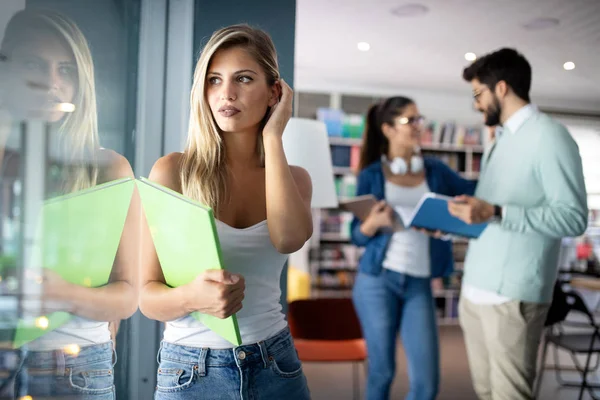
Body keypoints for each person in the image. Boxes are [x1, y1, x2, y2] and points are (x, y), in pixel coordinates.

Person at [138, 24, 312, 399]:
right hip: (191, 372)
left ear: (274, 93)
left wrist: (273, 138)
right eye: (214, 80)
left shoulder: (295, 180)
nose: (226, 94)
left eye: (244, 79)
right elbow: (146, 297)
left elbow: (289, 238)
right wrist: (191, 298)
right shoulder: (172, 172)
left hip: (276, 365)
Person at [0, 9, 139, 399]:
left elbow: (129, 295)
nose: (50, 82)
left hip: (72, 366)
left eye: (65, 69)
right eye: (33, 64)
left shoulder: (107, 169)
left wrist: (66, 294)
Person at [450, 48, 588, 400]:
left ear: (501, 89)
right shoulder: (500, 139)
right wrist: (458, 220)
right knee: (485, 392)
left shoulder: (550, 136)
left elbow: (573, 218)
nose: (476, 103)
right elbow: (491, 209)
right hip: (475, 290)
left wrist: (496, 212)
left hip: (513, 295)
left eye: (478, 94)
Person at [350, 96, 477, 400]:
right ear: (389, 129)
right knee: (382, 373)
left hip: (419, 283)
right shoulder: (371, 176)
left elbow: (475, 195)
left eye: (420, 119)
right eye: (411, 121)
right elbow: (357, 235)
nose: (420, 126)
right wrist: (372, 223)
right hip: (377, 281)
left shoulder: (435, 171)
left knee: (427, 384)